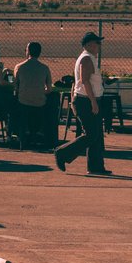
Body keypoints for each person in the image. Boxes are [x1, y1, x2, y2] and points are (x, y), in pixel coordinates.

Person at [53, 32, 109, 175]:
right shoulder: (86, 59)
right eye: (97, 43)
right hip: (86, 100)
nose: (99, 46)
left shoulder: (89, 58)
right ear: (88, 44)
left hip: (89, 99)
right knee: (91, 134)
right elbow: (84, 81)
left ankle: (96, 167)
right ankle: (62, 153)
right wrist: (93, 102)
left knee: (96, 135)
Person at [12, 43, 54, 150]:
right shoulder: (44, 68)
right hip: (39, 102)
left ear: (28, 51)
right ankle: (38, 135)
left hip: (23, 102)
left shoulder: (19, 67)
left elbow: (15, 87)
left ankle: (18, 136)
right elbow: (49, 89)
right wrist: (39, 91)